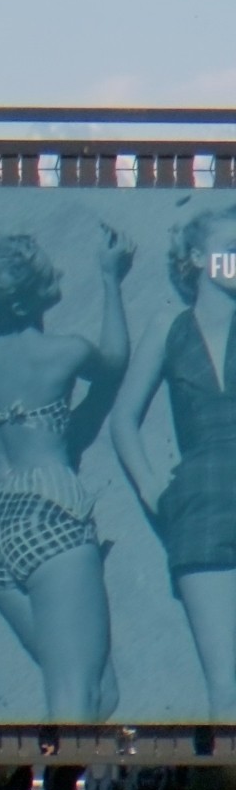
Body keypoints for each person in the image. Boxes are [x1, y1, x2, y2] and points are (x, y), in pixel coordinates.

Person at [0, 224, 130, 721]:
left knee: (100, 691)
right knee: (75, 693)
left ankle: (66, 770)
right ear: (33, 293)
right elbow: (116, 363)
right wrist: (110, 279)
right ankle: (60, 787)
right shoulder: (67, 351)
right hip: (54, 518)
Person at [104, 203, 236, 713]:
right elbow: (123, 420)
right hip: (199, 511)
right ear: (198, 258)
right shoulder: (169, 325)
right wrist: (152, 489)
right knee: (225, 683)